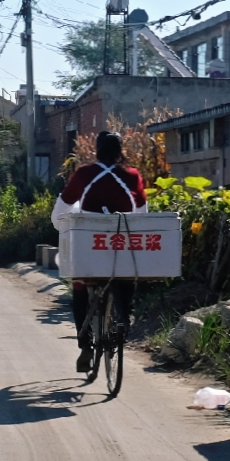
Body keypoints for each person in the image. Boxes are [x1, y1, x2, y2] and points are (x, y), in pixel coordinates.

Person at [51, 131, 146, 373]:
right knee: (126, 272)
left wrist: (62, 226)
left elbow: (61, 211)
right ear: (120, 151)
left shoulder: (84, 174)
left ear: (97, 150)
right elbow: (142, 217)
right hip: (120, 249)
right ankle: (125, 314)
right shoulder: (133, 176)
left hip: (89, 251)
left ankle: (85, 347)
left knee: (80, 285)